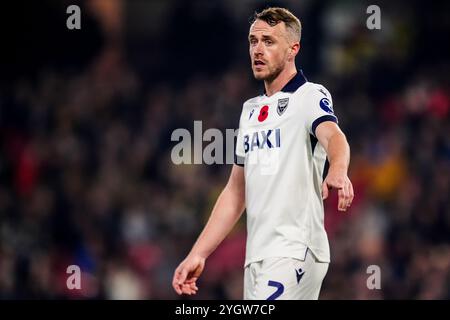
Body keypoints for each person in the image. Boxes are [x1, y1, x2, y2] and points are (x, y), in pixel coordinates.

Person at [172, 7, 354, 300]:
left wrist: (338, 170)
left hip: (294, 249)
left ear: (293, 49)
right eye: (253, 41)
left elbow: (334, 136)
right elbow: (235, 191)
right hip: (258, 257)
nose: (258, 49)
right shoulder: (250, 111)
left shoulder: (310, 96)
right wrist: (198, 253)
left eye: (268, 41)